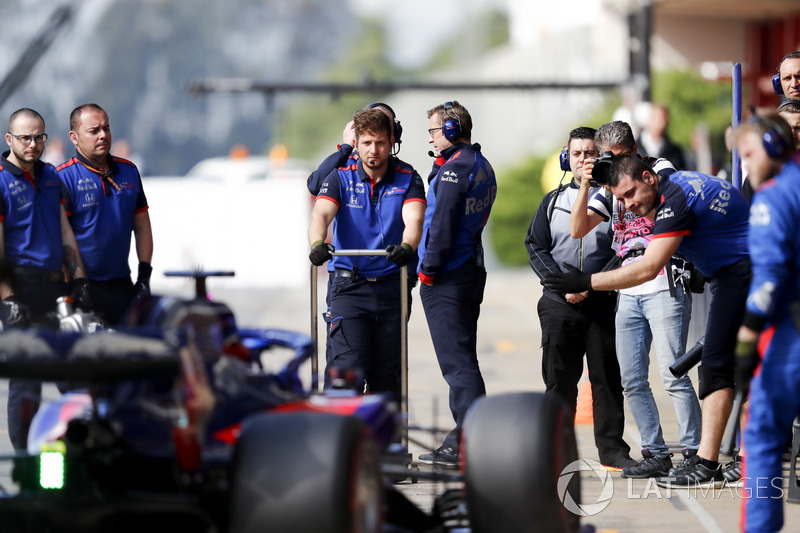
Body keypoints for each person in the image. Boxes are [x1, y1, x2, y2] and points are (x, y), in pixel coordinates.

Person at [544, 155, 751, 488]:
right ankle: (715, 459)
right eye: (621, 200)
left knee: (724, 368)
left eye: (630, 194)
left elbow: (647, 268)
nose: (628, 204)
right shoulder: (672, 189)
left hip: (746, 271)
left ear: (648, 177)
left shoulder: (675, 201)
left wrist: (586, 282)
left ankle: (711, 462)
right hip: (735, 272)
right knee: (724, 367)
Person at [570, 121, 702, 478]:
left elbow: (671, 200)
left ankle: (694, 451)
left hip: (663, 280)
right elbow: (577, 229)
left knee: (673, 372)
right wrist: (585, 182)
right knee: (632, 378)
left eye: (619, 158)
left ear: (633, 150)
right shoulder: (607, 184)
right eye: (607, 160)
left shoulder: (657, 170)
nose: (614, 166)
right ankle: (655, 452)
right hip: (628, 289)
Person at [526, 126, 634, 471]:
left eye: (590, 153)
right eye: (577, 154)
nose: (584, 160)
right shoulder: (553, 201)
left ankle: (613, 451)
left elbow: (628, 246)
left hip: (603, 302)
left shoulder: (618, 198)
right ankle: (554, 450)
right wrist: (562, 286)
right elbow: (535, 246)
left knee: (607, 382)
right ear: (566, 158)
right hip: (559, 304)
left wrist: (596, 283)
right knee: (559, 382)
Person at [307, 107, 425, 402]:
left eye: (381, 143)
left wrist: (407, 247)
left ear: (392, 142)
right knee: (345, 374)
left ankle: (386, 445)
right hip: (350, 288)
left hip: (391, 287)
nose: (374, 150)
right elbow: (321, 214)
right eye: (367, 143)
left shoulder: (408, 177)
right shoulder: (340, 177)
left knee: (386, 381)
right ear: (356, 144)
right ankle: (339, 443)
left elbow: (415, 220)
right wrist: (317, 243)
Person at [0, 108, 90, 449]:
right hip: (19, 291)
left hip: (56, 288)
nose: (34, 144)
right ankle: (24, 462)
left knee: (76, 377)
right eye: (25, 138)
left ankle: (83, 454)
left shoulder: (51, 177)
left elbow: (66, 233)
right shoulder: (0, 180)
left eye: (39, 137)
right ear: (10, 139)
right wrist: (8, 301)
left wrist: (79, 279)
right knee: (26, 383)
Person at [416, 101, 496, 468]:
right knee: (464, 360)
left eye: (434, 131)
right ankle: (465, 435)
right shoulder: (480, 165)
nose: (431, 138)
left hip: (446, 276)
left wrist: (427, 271)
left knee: (458, 365)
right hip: (469, 272)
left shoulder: (453, 171)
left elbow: (442, 227)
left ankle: (468, 439)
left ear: (450, 131)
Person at [733, 113, 799, 532]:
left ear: (775, 146)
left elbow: (769, 279)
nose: (746, 165)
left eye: (749, 154)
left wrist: (745, 341)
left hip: (790, 339)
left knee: (760, 440)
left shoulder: (773, 198)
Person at [58, 104, 153, 325]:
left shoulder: (129, 170)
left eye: (106, 128)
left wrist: (144, 275)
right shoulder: (62, 177)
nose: (103, 135)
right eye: (94, 131)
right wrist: (74, 286)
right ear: (74, 137)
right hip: (83, 289)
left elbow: (142, 226)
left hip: (123, 287)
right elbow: (58, 238)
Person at [306, 102, 403, 196]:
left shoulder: (406, 174)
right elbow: (315, 186)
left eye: (385, 126)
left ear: (394, 135)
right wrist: (346, 148)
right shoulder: (343, 165)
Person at [637, 103, 686, 170]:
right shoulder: (635, 149)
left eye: (665, 120)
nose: (663, 124)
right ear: (651, 118)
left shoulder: (674, 152)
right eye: (660, 120)